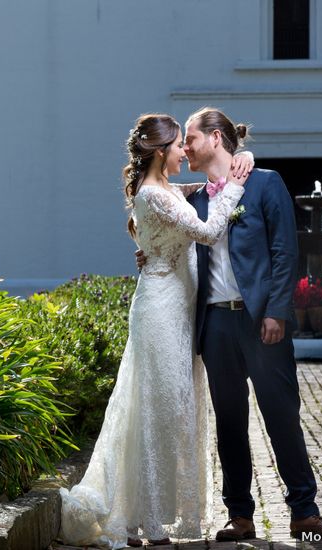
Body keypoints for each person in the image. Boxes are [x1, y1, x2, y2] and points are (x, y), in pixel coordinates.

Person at [137, 107, 322, 542]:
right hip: (214, 324)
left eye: (190, 138)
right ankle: (240, 515)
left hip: (260, 321)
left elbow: (287, 252)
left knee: (282, 415)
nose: (185, 147)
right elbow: (150, 221)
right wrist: (147, 254)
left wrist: (276, 312)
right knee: (229, 421)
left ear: (215, 138)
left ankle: (304, 510)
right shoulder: (191, 198)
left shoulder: (266, 183)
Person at [58, 113, 252, 549]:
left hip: (182, 309)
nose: (186, 151)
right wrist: (236, 189)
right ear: (162, 150)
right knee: (159, 409)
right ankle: (146, 523)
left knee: (173, 408)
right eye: (181, 144)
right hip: (161, 309)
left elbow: (202, 192)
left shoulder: (168, 190)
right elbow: (206, 230)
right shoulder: (153, 194)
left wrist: (243, 157)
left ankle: (147, 516)